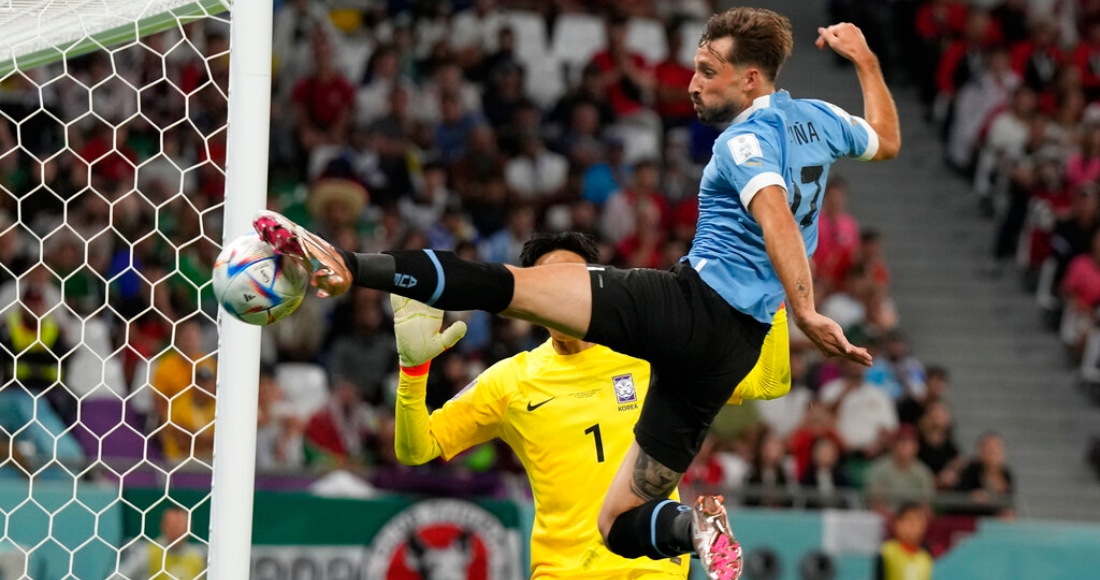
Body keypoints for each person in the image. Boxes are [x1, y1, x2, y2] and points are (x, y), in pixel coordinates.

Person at [252, 8, 899, 579]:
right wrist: (866, 61)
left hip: (688, 309)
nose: (692, 83)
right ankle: (697, 531)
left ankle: (345, 263)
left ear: (750, 79)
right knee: (618, 521)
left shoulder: (744, 141)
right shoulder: (818, 120)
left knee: (502, 285)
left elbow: (776, 213)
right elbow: (887, 139)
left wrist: (808, 306)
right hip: (731, 348)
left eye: (707, 71)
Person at [390, 232, 791, 579]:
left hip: (649, 567)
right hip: (560, 572)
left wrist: (771, 294)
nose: (565, 291)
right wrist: (413, 371)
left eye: (576, 280)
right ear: (534, 294)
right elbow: (417, 448)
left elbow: (768, 383)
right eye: (552, 281)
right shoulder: (510, 379)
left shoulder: (650, 353)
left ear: (594, 288)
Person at [115, 507, 206, 580]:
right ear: (163, 525)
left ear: (189, 527)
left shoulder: (197, 557)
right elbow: (118, 576)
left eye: (180, 524)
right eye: (172, 525)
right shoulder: (147, 553)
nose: (176, 529)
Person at [874, 503, 933, 580]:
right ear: (897, 524)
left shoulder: (926, 558)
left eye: (918, 521)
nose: (913, 525)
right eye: (908, 520)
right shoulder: (886, 552)